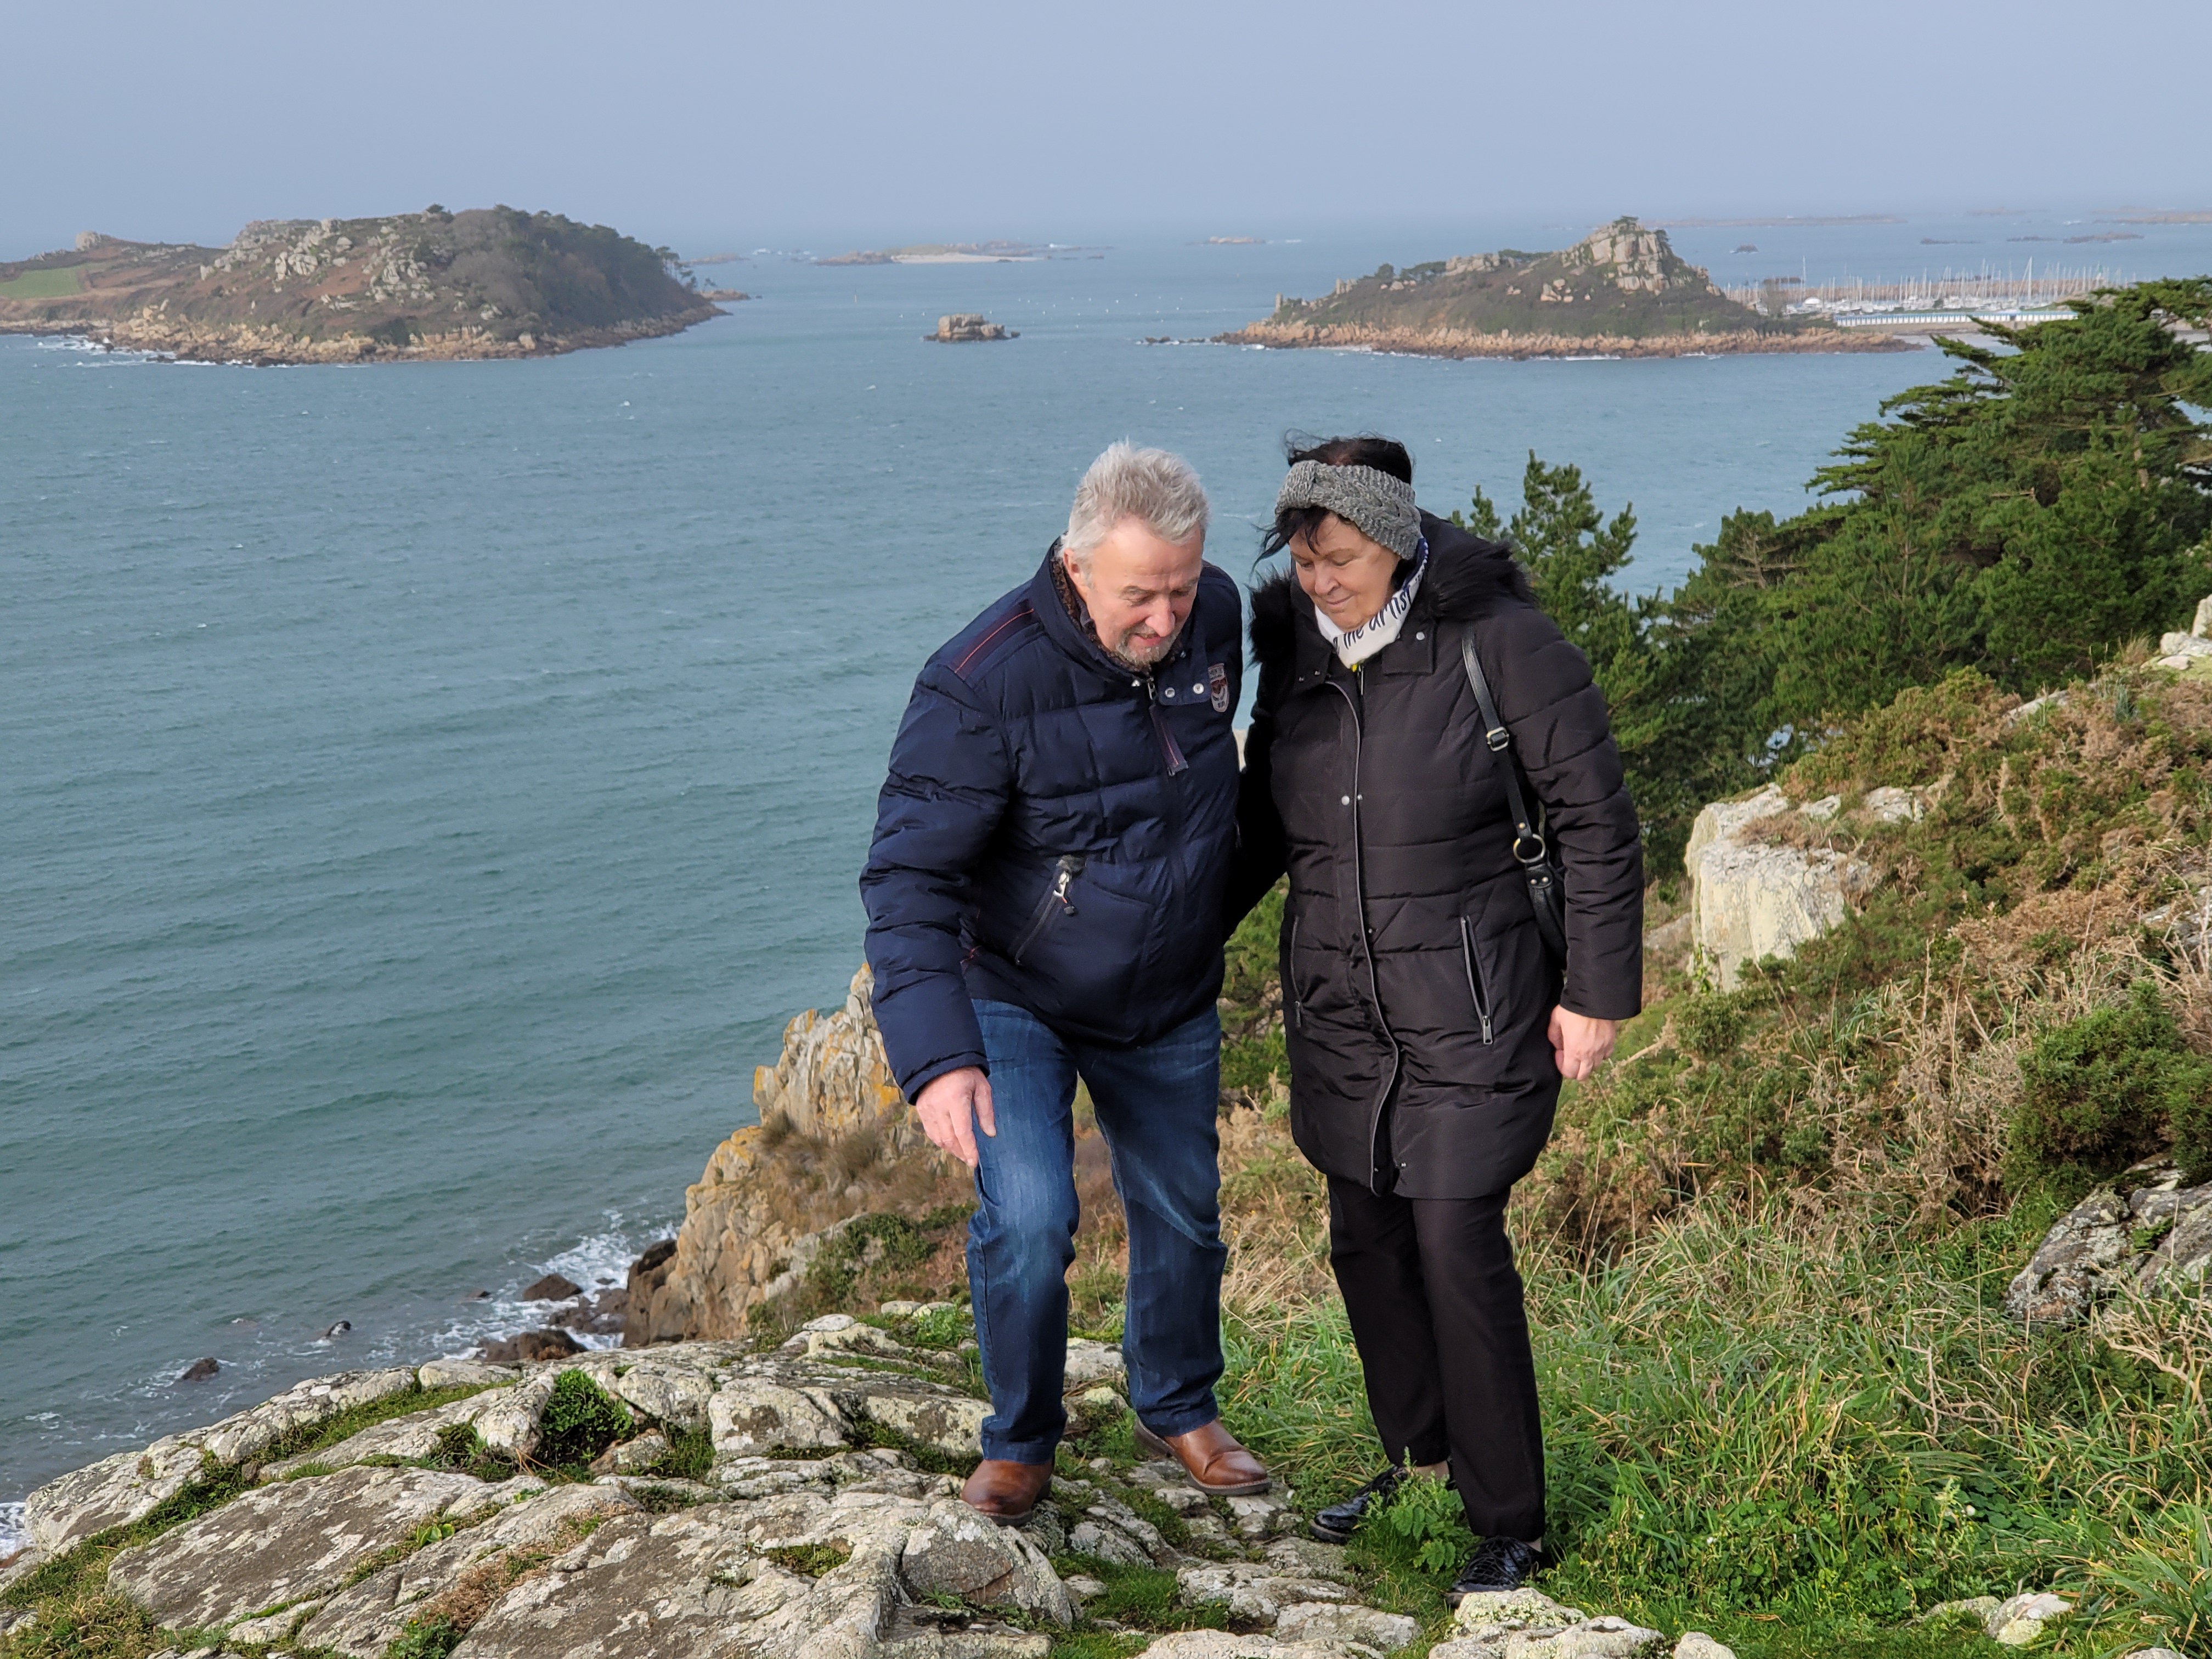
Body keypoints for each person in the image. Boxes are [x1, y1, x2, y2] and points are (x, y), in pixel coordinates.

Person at [1232, 436, 1642, 1599]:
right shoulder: (1296, 645)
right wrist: (1165, 940)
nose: (1322, 583)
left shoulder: (1503, 642)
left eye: (1342, 560)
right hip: (1339, 1010)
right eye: (1304, 561)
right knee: (1365, 1242)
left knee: (1456, 1246)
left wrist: (1596, 994)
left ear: (1399, 543)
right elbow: (1265, 826)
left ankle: (1509, 1520)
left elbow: (1597, 822)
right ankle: (1420, 1466)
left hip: (1476, 1005)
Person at [861, 442, 1269, 1525]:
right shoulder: (978, 683)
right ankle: (1021, 1440)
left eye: (1182, 586)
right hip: (1016, 991)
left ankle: (1177, 1404)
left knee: (1183, 1213)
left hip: (1167, 987)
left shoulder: (1215, 612)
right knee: (1033, 1218)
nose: (1167, 618)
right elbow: (908, 878)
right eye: (1141, 595)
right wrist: (937, 1060)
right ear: (1077, 566)